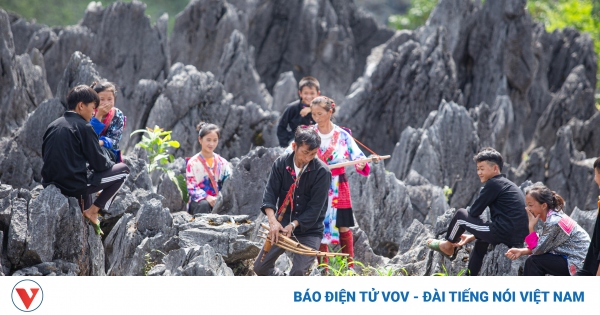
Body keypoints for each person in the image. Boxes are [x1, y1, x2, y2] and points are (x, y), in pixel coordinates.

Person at [41, 85, 130, 235]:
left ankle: (87, 216)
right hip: (72, 185)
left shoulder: (53, 125)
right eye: (93, 107)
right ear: (81, 106)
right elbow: (100, 164)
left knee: (88, 177)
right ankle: (95, 211)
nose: (94, 112)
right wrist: (110, 164)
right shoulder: (84, 127)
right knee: (124, 171)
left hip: (50, 183)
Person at [425, 147, 529, 276]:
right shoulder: (507, 184)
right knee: (481, 243)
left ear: (495, 168)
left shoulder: (493, 184)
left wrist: (472, 229)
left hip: (503, 232)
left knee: (461, 215)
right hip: (516, 237)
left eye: (482, 168)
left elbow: (473, 212)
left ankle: (448, 245)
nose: (479, 172)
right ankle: (470, 276)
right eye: (478, 169)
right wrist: (474, 235)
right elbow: (503, 218)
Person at [253, 126, 331, 276]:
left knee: (299, 272)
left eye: (313, 154)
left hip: (310, 230)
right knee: (260, 267)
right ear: (295, 146)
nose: (308, 158)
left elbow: (315, 209)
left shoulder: (322, 172)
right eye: (305, 153)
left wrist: (293, 225)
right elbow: (270, 194)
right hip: (282, 226)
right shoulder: (281, 164)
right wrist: (273, 222)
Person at [309, 96, 370, 268]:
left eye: (320, 113)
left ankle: (348, 268)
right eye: (313, 114)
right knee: (318, 226)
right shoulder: (309, 134)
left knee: (344, 226)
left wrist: (361, 162)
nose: (316, 118)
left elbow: (358, 156)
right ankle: (323, 269)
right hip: (316, 186)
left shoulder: (342, 135)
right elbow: (296, 154)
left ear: (330, 112)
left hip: (338, 184)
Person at [505, 183, 590, 276]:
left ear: (544, 205)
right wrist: (521, 251)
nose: (527, 209)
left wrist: (531, 227)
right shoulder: (553, 217)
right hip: (575, 259)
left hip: (577, 263)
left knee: (534, 262)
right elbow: (542, 245)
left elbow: (537, 250)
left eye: (530, 205)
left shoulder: (554, 222)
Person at [186, 122, 232, 215]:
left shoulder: (222, 162)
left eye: (215, 140)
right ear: (200, 139)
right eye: (208, 140)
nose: (212, 143)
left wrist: (220, 198)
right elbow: (192, 188)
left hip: (218, 200)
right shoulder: (192, 163)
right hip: (199, 202)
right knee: (204, 205)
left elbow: (228, 183)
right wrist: (207, 197)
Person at [276, 76, 320, 147]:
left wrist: (311, 109)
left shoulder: (321, 109)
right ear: (300, 93)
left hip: (317, 143)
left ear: (318, 94)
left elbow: (331, 107)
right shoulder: (292, 108)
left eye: (312, 93)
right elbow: (281, 127)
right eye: (305, 93)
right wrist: (285, 144)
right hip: (296, 143)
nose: (309, 96)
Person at [89, 81, 126, 162]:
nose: (106, 103)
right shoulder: (89, 112)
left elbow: (115, 140)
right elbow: (87, 135)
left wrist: (101, 142)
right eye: (102, 99)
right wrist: (99, 115)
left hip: (108, 152)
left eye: (109, 99)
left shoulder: (117, 115)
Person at [575, 157, 600, 276]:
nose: (594, 179)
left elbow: (537, 248)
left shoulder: (553, 220)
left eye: (595, 174)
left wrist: (531, 227)